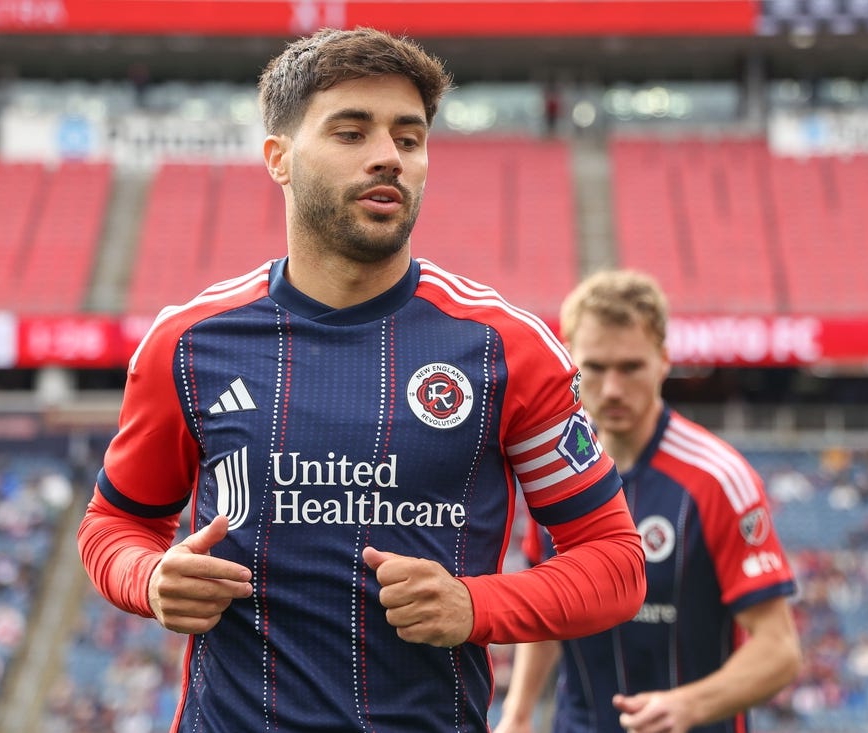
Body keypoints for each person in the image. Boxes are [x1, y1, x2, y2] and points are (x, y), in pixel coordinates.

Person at [76, 27, 647, 733]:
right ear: (278, 159)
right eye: (351, 133)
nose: (388, 157)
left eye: (408, 139)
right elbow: (115, 523)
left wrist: (476, 606)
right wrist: (149, 579)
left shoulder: (507, 349)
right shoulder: (189, 344)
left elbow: (616, 563)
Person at [494, 270, 801, 733]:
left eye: (631, 367)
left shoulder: (719, 480)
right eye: (595, 367)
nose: (613, 388)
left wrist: (688, 706)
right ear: (569, 361)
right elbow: (549, 611)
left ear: (663, 360)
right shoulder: (550, 467)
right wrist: (517, 716)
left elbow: (779, 650)